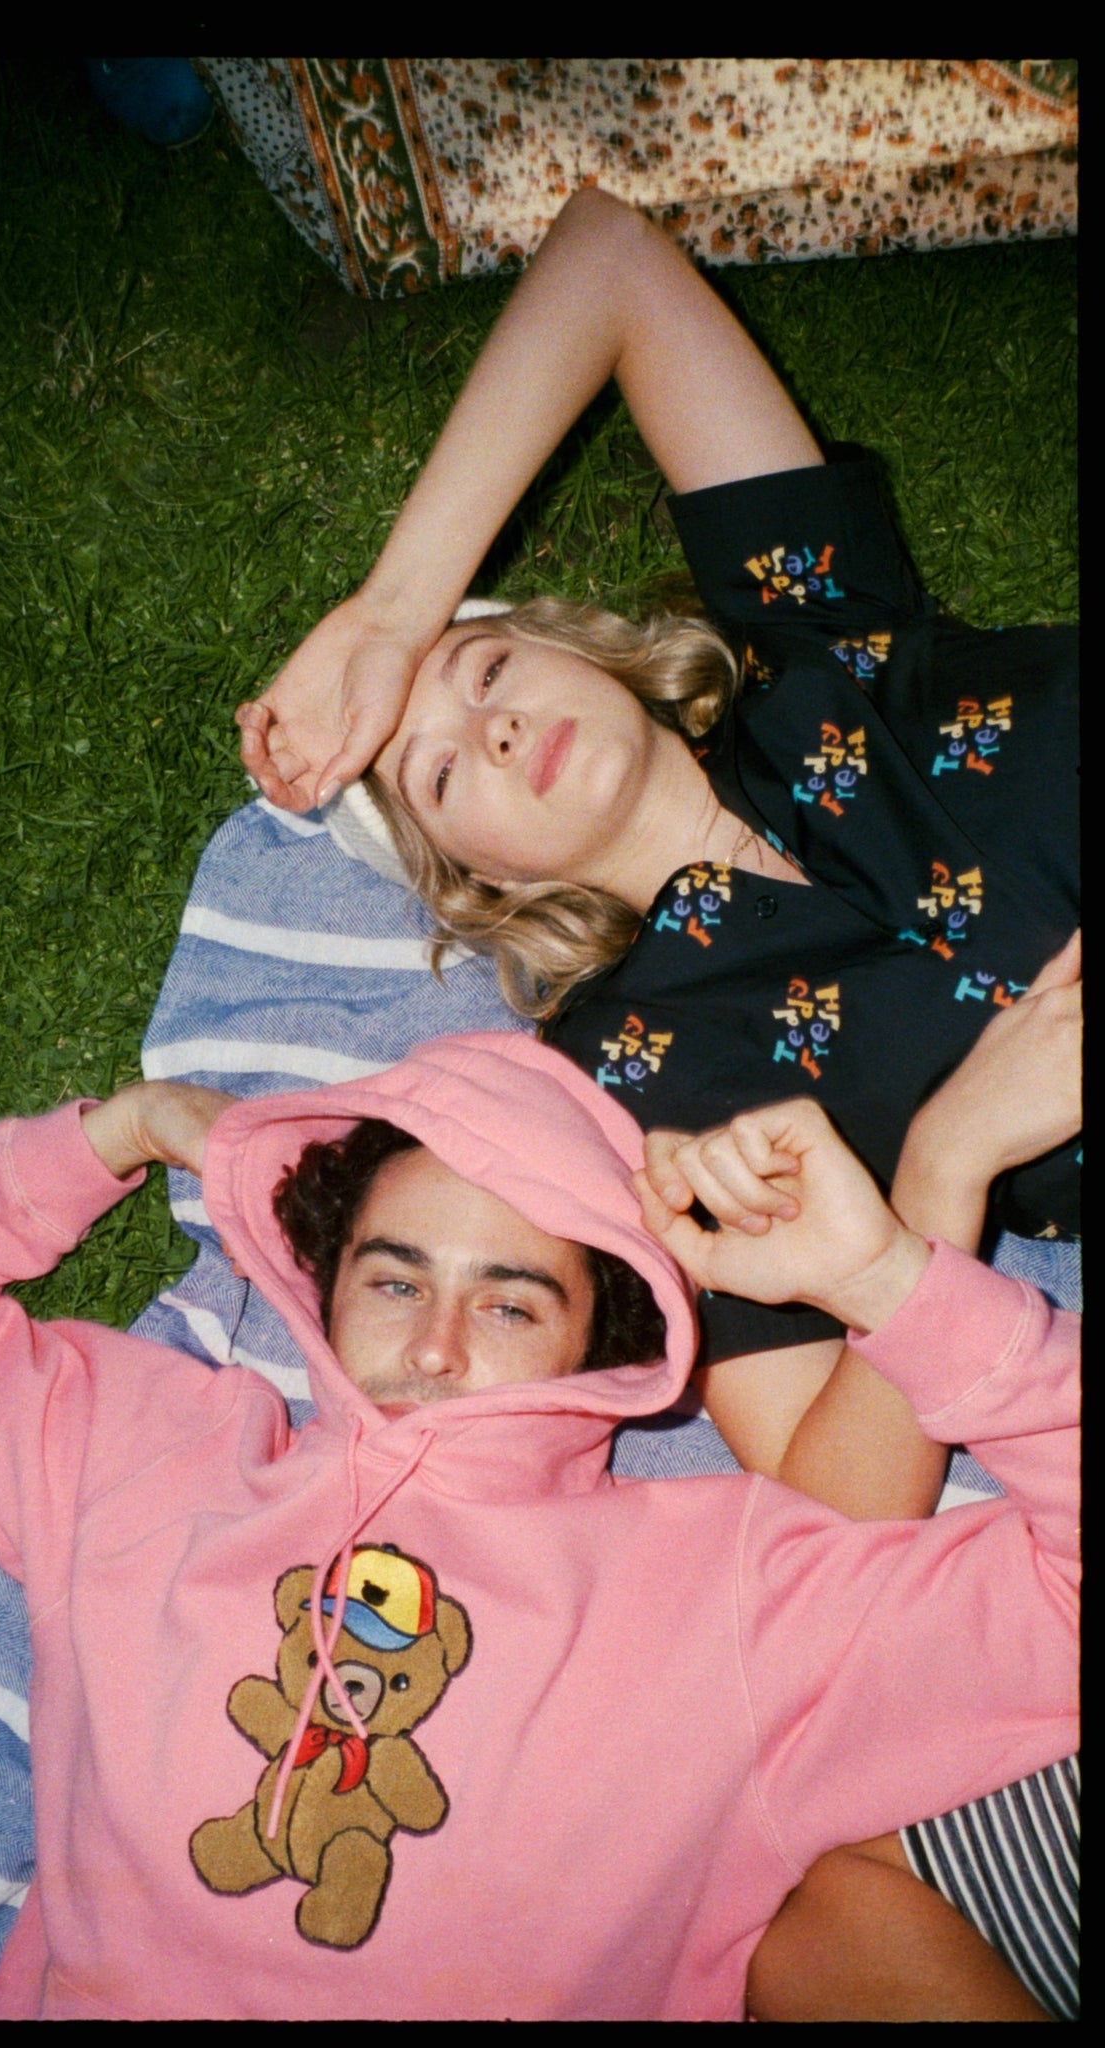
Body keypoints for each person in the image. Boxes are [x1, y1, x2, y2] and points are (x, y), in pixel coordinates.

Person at [0, 1029, 1077, 2022]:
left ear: (603, 1333)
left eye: (509, 1303)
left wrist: (883, 1280)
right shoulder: (147, 1457)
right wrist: (125, 1128)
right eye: (395, 1281)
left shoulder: (723, 1584)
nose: (437, 1347)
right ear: (325, 1280)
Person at [236, 185, 1079, 1514]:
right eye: (441, 773)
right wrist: (946, 1166)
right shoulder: (641, 1071)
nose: (495, 728)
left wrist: (394, 619)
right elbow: (840, 1499)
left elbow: (609, 260)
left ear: (577, 649)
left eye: (487, 669)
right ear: (483, 881)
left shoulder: (808, 628)